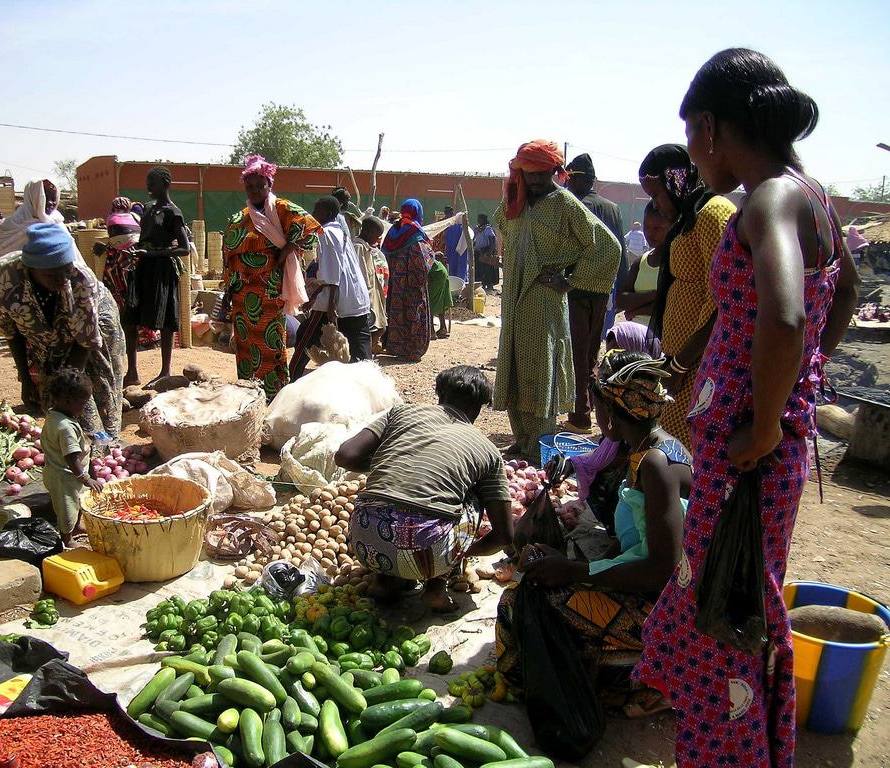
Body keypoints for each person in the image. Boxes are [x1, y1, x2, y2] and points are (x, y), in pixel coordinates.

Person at [634, 48, 860, 768]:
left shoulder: (768, 199)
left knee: (721, 622)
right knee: (725, 597)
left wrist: (766, 424)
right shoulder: (812, 194)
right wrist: (799, 387)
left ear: (707, 127)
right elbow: (845, 293)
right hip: (751, 451)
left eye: (692, 142)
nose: (695, 163)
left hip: (750, 457)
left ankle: (726, 754)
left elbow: (786, 318)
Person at [497, 350, 691, 718]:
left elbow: (662, 570)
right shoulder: (647, 448)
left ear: (611, 414)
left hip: (670, 614)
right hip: (655, 591)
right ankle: (601, 673)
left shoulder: (656, 464)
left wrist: (576, 573)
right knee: (547, 576)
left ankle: (625, 678)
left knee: (522, 600)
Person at [336, 366, 514, 612]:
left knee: (386, 497)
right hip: (430, 556)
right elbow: (505, 536)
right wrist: (459, 555)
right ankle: (435, 588)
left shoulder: (400, 413)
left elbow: (345, 456)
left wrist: (384, 462)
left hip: (363, 543)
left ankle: (383, 580)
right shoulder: (488, 450)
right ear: (479, 407)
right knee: (474, 493)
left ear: (440, 395)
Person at [494, 139, 621, 459]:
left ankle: (540, 444)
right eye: (528, 173)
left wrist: (570, 280)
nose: (534, 180)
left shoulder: (565, 203)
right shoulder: (517, 199)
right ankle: (522, 439)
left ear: (555, 171)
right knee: (516, 364)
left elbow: (607, 247)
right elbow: (501, 223)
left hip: (543, 298)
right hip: (513, 296)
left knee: (540, 367)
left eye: (541, 174)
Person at [638, 144, 737, 449]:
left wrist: (681, 364)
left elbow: (724, 298)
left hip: (699, 363)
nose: (656, 205)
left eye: (656, 195)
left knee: (686, 448)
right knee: (672, 443)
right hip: (681, 361)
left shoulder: (713, 213)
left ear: (676, 181)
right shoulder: (690, 217)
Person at [0, 222, 125, 438]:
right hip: (46, 334)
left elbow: (86, 343)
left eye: (66, 272)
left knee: (93, 389)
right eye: (53, 275)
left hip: (94, 325)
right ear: (31, 269)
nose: (63, 281)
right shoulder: (4, 278)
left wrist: (69, 389)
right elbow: (12, 332)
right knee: (52, 395)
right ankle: (70, 442)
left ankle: (106, 442)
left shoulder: (80, 281)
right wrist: (25, 378)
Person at [222, 155, 322, 399]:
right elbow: (229, 257)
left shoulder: (283, 210)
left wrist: (289, 247)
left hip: (269, 292)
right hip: (243, 296)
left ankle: (274, 395)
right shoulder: (240, 219)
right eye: (250, 186)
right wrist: (229, 289)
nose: (255, 190)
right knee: (245, 346)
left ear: (269, 185)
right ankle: (249, 395)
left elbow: (311, 232)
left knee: (271, 344)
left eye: (260, 186)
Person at [564, 153, 625, 432]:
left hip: (575, 291)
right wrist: (622, 288)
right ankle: (595, 411)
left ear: (577, 179)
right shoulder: (612, 209)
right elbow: (621, 253)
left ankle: (580, 416)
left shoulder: (574, 206)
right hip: (603, 293)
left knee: (577, 355)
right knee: (591, 354)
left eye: (569, 179)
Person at [289, 196, 371, 380]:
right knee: (359, 344)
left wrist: (330, 304)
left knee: (305, 339)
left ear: (327, 213)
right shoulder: (340, 231)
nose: (313, 214)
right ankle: (369, 382)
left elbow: (332, 272)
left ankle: (289, 379)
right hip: (354, 298)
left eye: (316, 210)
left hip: (336, 300)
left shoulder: (326, 232)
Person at [124, 167, 188, 388]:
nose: (148, 187)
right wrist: (136, 251)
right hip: (143, 267)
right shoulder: (148, 209)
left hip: (162, 271)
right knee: (130, 318)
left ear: (165, 183)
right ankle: (132, 371)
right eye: (147, 183)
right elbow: (144, 238)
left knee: (166, 321)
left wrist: (154, 253)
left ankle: (165, 372)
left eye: (152, 183)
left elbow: (184, 249)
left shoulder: (174, 212)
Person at [41, 367, 103, 547]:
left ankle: (76, 527)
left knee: (78, 503)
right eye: (82, 404)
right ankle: (66, 538)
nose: (84, 409)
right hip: (65, 477)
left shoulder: (55, 415)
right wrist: (85, 477)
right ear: (68, 401)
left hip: (65, 474)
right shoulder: (65, 427)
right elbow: (70, 456)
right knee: (67, 508)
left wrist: (85, 438)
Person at [381, 199, 436, 361]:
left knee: (395, 311)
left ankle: (395, 346)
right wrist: (433, 255)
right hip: (412, 286)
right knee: (413, 314)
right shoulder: (414, 233)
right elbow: (422, 262)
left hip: (394, 285)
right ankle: (412, 350)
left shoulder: (393, 232)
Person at [95, 197, 143, 385]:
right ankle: (131, 370)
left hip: (117, 282)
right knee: (130, 328)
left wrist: (104, 247)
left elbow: (115, 247)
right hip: (132, 278)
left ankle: (128, 372)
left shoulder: (112, 221)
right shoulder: (135, 221)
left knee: (121, 326)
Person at [0, 179, 67, 274]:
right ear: (32, 198)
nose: (51, 203)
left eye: (53, 198)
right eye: (45, 197)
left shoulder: (57, 221)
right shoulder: (15, 222)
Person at [615, 202, 671, 326]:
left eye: (657, 228)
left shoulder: (675, 263)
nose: (650, 233)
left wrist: (638, 309)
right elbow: (621, 301)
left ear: (671, 227)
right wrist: (654, 294)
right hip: (635, 332)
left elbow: (670, 305)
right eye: (647, 227)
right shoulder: (640, 263)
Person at [354, 216, 388, 350]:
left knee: (380, 326)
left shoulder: (366, 248)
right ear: (368, 232)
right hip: (364, 298)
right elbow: (360, 276)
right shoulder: (358, 247)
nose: (378, 239)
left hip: (372, 296)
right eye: (377, 235)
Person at [473, 213, 499, 290]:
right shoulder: (478, 229)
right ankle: (482, 284)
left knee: (487, 269)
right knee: (479, 269)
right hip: (478, 251)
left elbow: (492, 240)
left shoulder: (488, 229)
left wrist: (489, 252)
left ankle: (489, 284)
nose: (478, 220)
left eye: (480, 219)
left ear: (484, 220)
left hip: (485, 251)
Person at [428, 256, 452, 339]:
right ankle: (443, 328)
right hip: (441, 270)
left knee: (429, 301)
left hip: (436, 273)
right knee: (440, 300)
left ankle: (431, 331)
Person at [442, 205, 468, 281]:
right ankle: (462, 282)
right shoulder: (465, 228)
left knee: (452, 268)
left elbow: (447, 241)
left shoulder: (450, 228)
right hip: (462, 253)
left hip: (451, 252)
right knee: (461, 267)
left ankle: (453, 283)